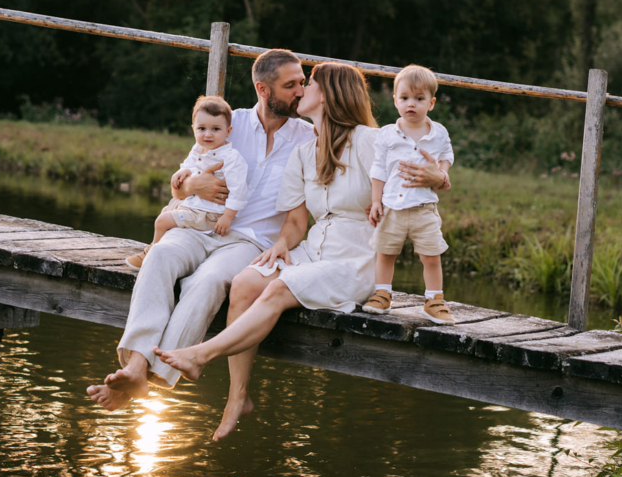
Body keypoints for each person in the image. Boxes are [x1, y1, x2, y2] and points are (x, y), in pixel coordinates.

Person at [154, 61, 445, 441]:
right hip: (312, 249)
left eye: (308, 84)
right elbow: (294, 222)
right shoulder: (305, 152)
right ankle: (237, 397)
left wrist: (438, 177)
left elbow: (427, 175)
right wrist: (279, 246)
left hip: (357, 258)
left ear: (327, 94)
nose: (300, 90)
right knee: (246, 282)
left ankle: (200, 354)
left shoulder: (372, 141)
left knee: (276, 289)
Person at [87, 48, 315, 411]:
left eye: (302, 83)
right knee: (159, 255)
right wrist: (190, 187)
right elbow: (180, 185)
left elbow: (297, 220)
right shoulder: (229, 121)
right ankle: (136, 365)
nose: (301, 91)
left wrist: (281, 246)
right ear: (263, 88)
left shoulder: (308, 138)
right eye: (291, 85)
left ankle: (146, 372)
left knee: (208, 281)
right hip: (196, 224)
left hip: (248, 241)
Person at [362, 64, 454, 323]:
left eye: (419, 98)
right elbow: (378, 169)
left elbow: (447, 155)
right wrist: (376, 201)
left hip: (424, 207)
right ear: (395, 101)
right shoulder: (388, 134)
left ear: (431, 103)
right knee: (386, 253)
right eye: (404, 98)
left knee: (431, 256)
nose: (410, 104)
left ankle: (434, 300)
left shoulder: (438, 133)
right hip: (392, 207)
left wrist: (442, 172)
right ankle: (382, 294)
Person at [125, 96, 249, 270]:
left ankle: (151, 255)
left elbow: (239, 191)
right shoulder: (198, 149)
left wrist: (228, 217)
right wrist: (183, 171)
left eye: (215, 129)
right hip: (196, 205)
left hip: (210, 214)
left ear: (228, 131)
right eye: (202, 128)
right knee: (167, 209)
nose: (208, 134)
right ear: (193, 129)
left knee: (162, 221)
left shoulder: (231, 158)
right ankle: (160, 249)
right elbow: (190, 164)